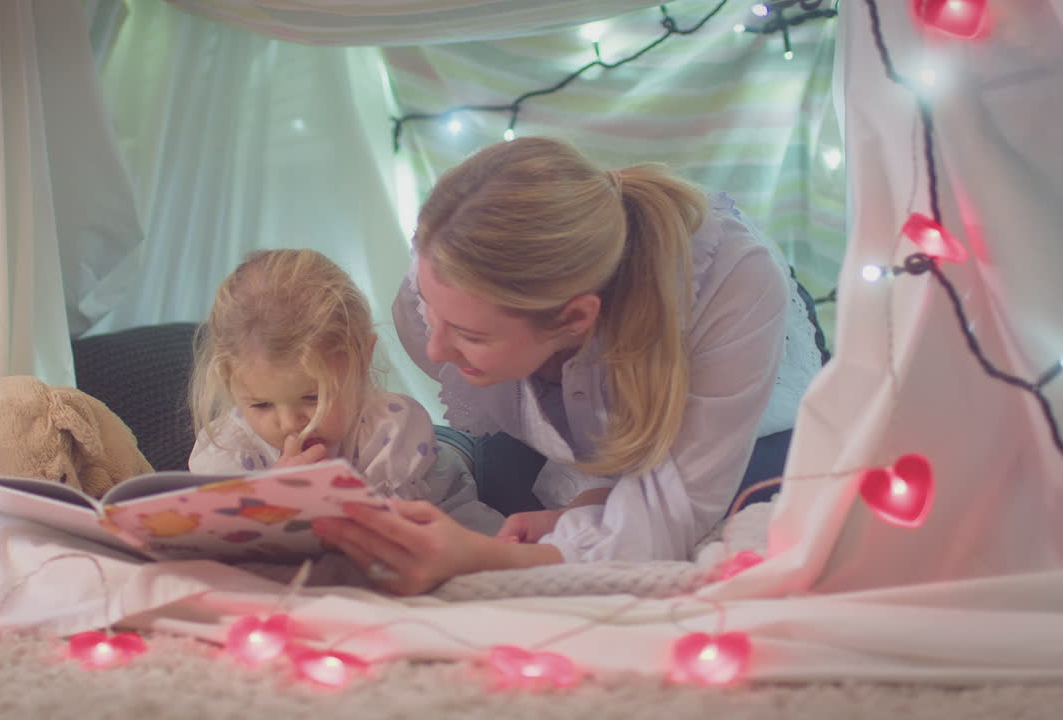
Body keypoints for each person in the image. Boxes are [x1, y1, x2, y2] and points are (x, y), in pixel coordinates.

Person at [311, 136, 821, 595]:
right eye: (430, 308)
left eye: (470, 335)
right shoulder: (440, 290)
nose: (437, 350)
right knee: (510, 499)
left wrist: (493, 560)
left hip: (745, 398)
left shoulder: (729, 284)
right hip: (558, 373)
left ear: (575, 318)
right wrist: (590, 501)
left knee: (755, 507)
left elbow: (673, 510)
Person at [187, 248, 502, 535]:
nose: (289, 423)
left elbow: (421, 536)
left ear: (363, 358)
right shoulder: (229, 453)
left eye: (313, 398)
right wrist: (268, 503)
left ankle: (460, 445)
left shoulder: (391, 436)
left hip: (438, 496)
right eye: (261, 405)